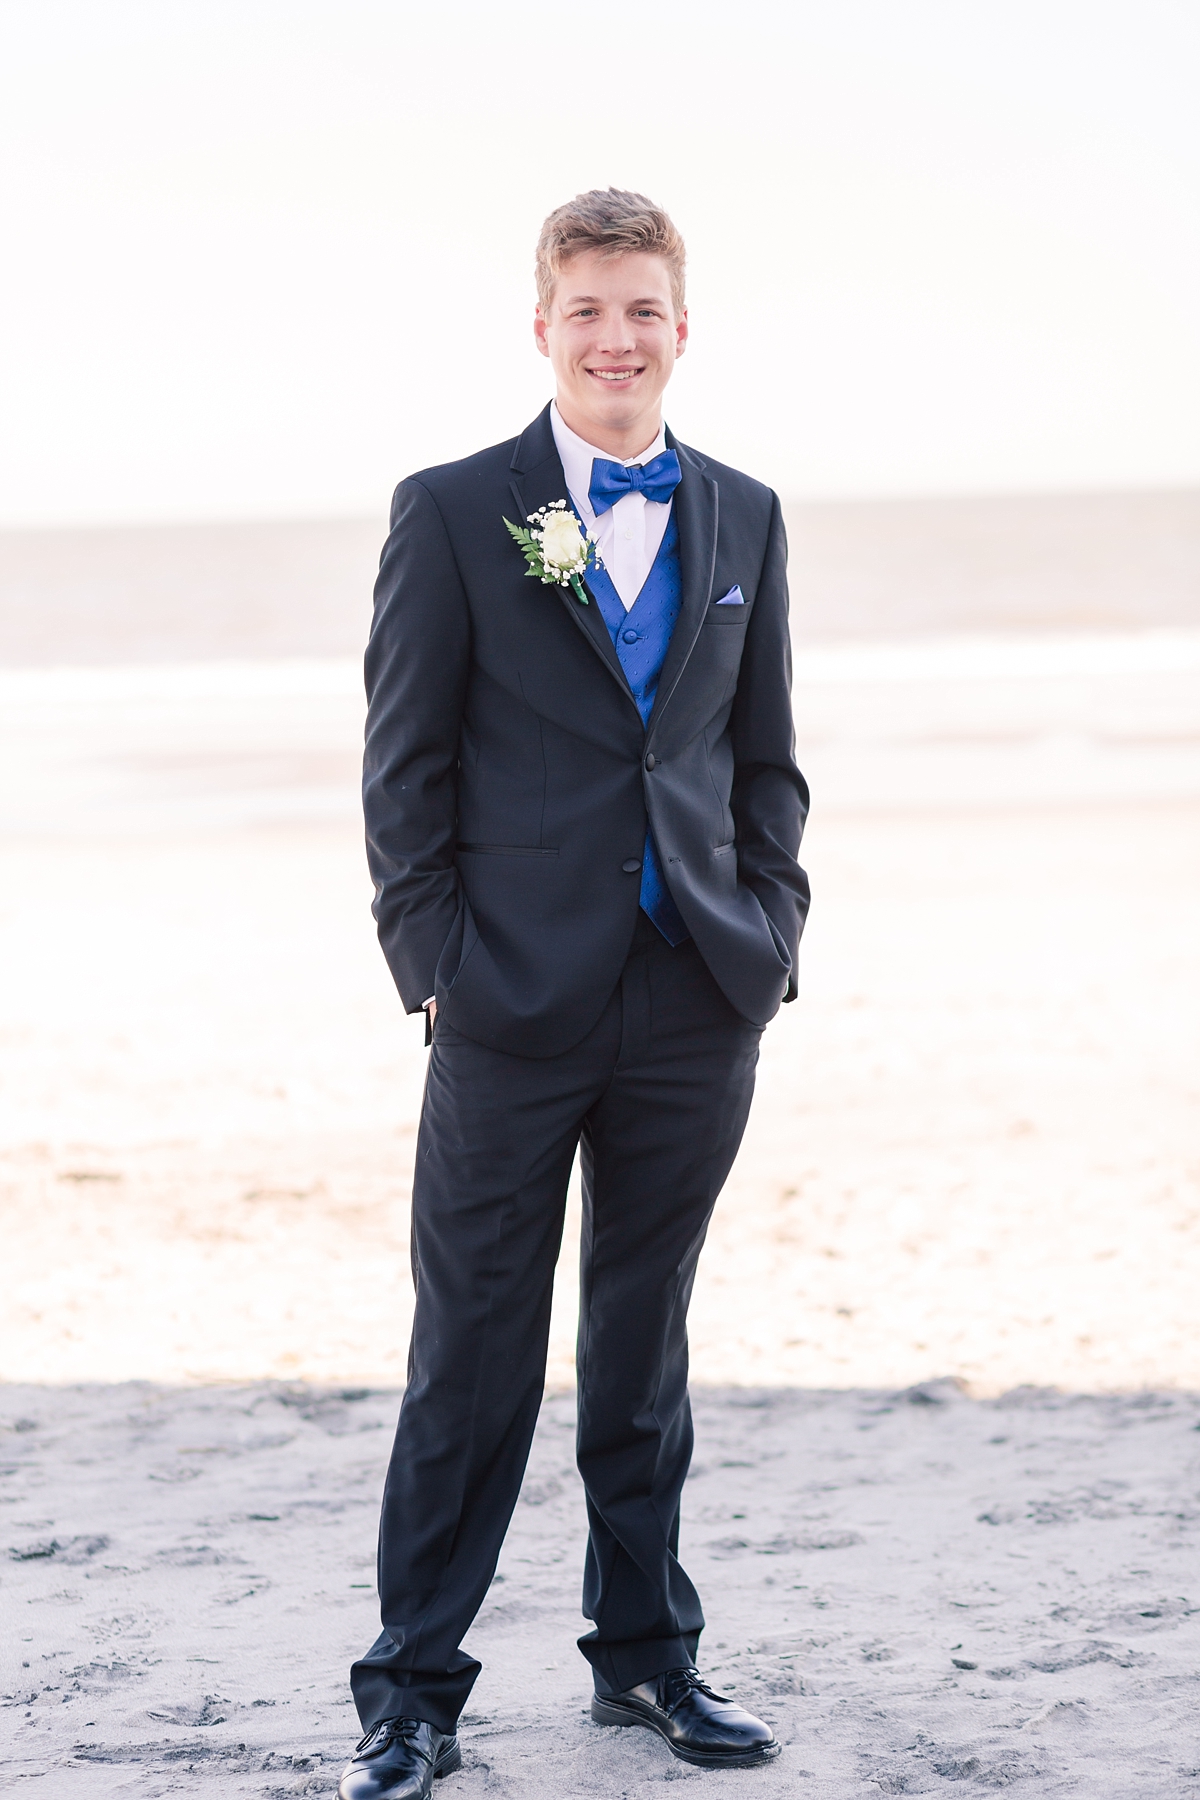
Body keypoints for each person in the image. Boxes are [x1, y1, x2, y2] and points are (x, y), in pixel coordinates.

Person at [338, 188, 810, 1800]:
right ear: (543, 328)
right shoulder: (458, 508)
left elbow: (766, 764)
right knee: (471, 1349)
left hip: (697, 995)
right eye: (588, 311)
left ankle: (648, 1664)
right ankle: (410, 1693)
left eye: (645, 309)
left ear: (685, 325)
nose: (618, 338)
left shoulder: (744, 513)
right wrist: (437, 975)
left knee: (644, 1342)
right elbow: (402, 771)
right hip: (506, 1007)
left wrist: (771, 935)